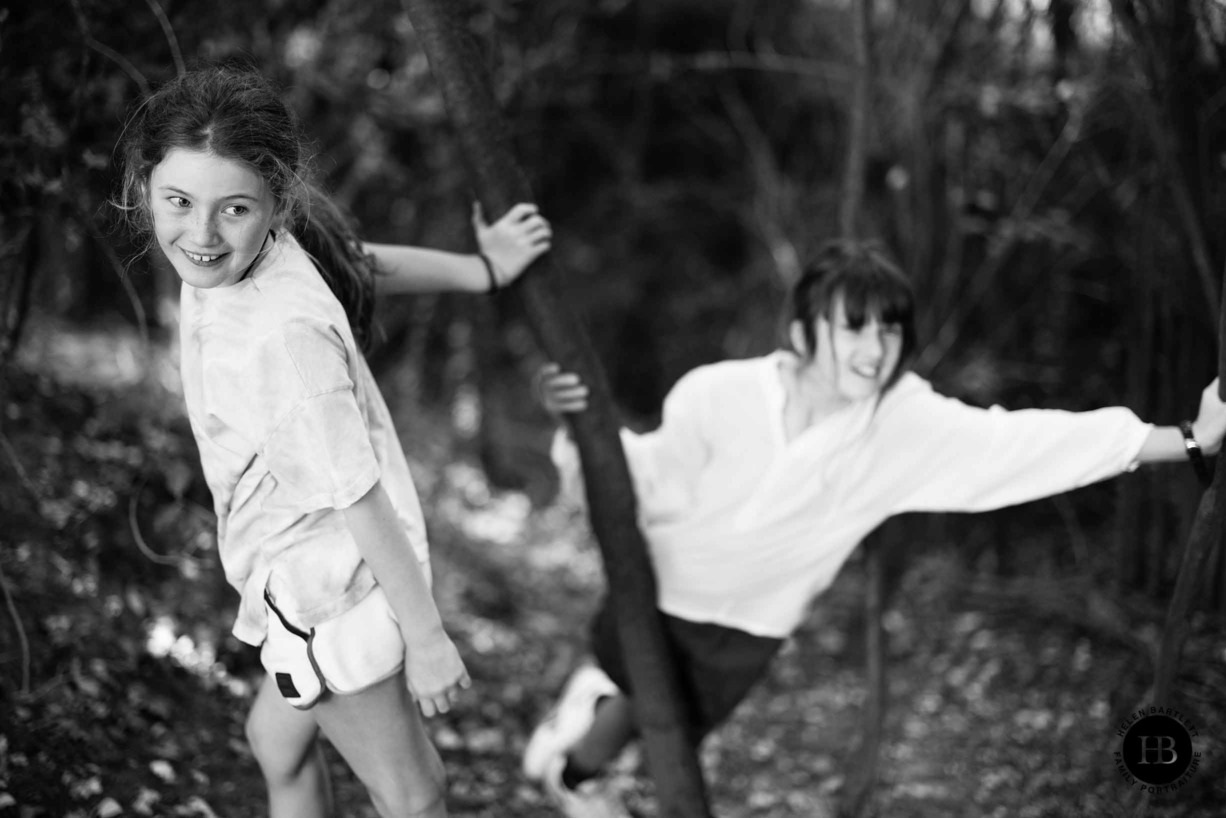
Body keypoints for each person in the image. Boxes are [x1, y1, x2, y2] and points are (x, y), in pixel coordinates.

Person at [522, 239, 1226, 817]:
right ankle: (572, 773)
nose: (875, 346)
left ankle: (585, 736)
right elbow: (645, 477)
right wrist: (576, 429)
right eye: (853, 325)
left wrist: (1187, 440)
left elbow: (1020, 446)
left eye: (889, 327)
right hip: (662, 586)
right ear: (801, 333)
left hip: (751, 623)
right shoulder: (719, 393)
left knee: (666, 722)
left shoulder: (902, 422)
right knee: (641, 701)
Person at [115, 66, 551, 818]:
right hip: (304, 562)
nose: (201, 235)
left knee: (412, 798)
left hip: (328, 587)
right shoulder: (261, 250)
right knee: (273, 741)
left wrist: (428, 638)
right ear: (148, 181)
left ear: (275, 203)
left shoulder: (280, 338)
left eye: (234, 209)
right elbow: (360, 260)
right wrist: (484, 270)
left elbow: (355, 495)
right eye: (179, 202)